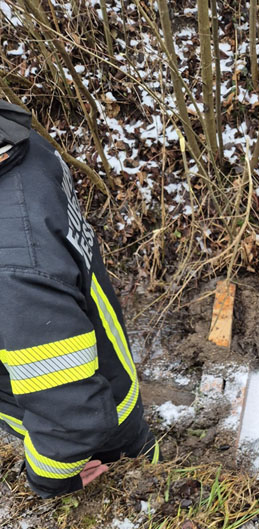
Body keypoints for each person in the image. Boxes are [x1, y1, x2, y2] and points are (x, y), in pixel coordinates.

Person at [0, 101, 158, 498]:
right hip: (108, 376)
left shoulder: (12, 267)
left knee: (141, 483)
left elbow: (71, 414)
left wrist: (49, 478)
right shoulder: (19, 144)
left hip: (101, 437)